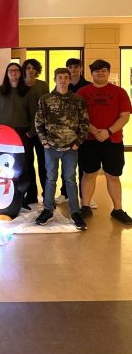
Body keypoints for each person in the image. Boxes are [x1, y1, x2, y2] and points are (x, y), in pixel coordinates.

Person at [77, 59, 132, 225]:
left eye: (103, 70)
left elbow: (125, 115)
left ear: (108, 72)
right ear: (91, 73)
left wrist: (108, 132)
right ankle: (85, 207)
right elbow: (79, 116)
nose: (100, 73)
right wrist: (94, 131)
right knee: (88, 174)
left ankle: (118, 209)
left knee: (113, 176)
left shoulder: (119, 92)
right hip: (89, 141)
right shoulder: (83, 92)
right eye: (96, 71)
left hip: (113, 140)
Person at [35, 68, 89, 230]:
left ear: (69, 80)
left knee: (70, 180)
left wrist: (77, 143)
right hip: (50, 146)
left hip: (71, 147)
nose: (63, 80)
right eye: (60, 77)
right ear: (55, 79)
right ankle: (47, 210)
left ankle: (75, 212)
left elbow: (84, 124)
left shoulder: (78, 100)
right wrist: (44, 142)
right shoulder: (45, 99)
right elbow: (39, 122)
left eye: (66, 78)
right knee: (50, 179)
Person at [0, 62, 36, 206]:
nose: (14, 73)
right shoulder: (0, 91)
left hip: (22, 134)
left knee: (24, 165)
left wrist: (30, 132)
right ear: (7, 73)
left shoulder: (27, 92)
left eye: (16, 70)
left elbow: (34, 114)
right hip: (4, 135)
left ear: (20, 73)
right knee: (6, 167)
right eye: (11, 71)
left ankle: (27, 196)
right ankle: (7, 195)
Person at [56, 58, 92, 205]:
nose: (73, 69)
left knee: (84, 166)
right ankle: (65, 193)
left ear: (81, 69)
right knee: (67, 167)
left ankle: (85, 197)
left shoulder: (89, 86)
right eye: (70, 67)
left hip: (84, 134)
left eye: (76, 67)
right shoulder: (63, 86)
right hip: (66, 135)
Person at [22, 59, 49, 204]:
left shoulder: (43, 85)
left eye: (33, 68)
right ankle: (31, 194)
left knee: (44, 163)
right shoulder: (20, 86)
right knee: (27, 164)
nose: (31, 70)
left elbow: (45, 108)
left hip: (41, 131)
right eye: (28, 68)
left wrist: (37, 129)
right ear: (24, 70)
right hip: (24, 132)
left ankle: (47, 194)